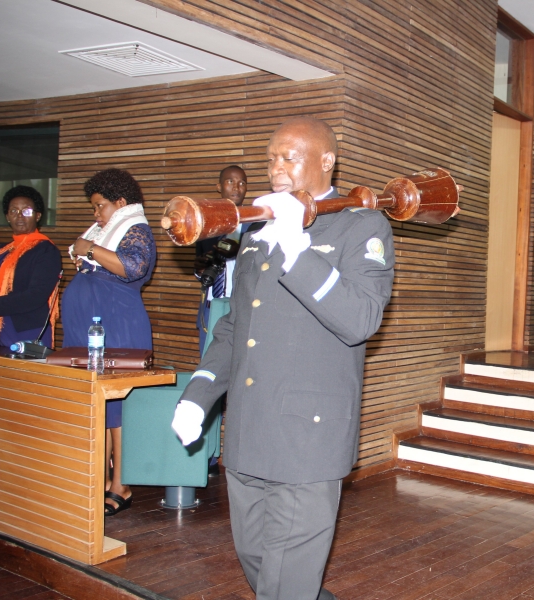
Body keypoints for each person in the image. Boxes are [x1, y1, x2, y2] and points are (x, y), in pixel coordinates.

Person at [171, 117, 394, 599]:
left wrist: (297, 248)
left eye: (289, 156)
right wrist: (200, 392)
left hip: (307, 435)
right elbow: (236, 324)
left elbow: (360, 319)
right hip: (250, 429)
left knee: (285, 582)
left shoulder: (362, 225)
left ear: (326, 161)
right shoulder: (259, 228)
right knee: (257, 562)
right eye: (271, 156)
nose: (276, 167)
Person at [62, 168, 156, 516]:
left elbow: (131, 267)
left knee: (118, 407)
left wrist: (90, 248)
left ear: (120, 203)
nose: (96, 214)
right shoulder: (108, 230)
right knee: (94, 403)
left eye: (100, 207)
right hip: (86, 327)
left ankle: (121, 484)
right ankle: (98, 479)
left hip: (119, 323)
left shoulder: (138, 230)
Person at [0, 186, 61, 348]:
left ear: (37, 216)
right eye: (14, 211)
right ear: (7, 217)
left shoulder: (46, 251)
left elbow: (35, 295)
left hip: (24, 332)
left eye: (26, 211)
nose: (20, 216)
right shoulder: (0, 251)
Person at [195, 165, 254, 351]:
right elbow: (200, 265)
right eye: (230, 182)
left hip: (240, 308)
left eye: (242, 183)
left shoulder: (256, 224)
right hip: (211, 308)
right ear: (219, 186)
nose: (236, 188)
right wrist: (199, 269)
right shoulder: (206, 224)